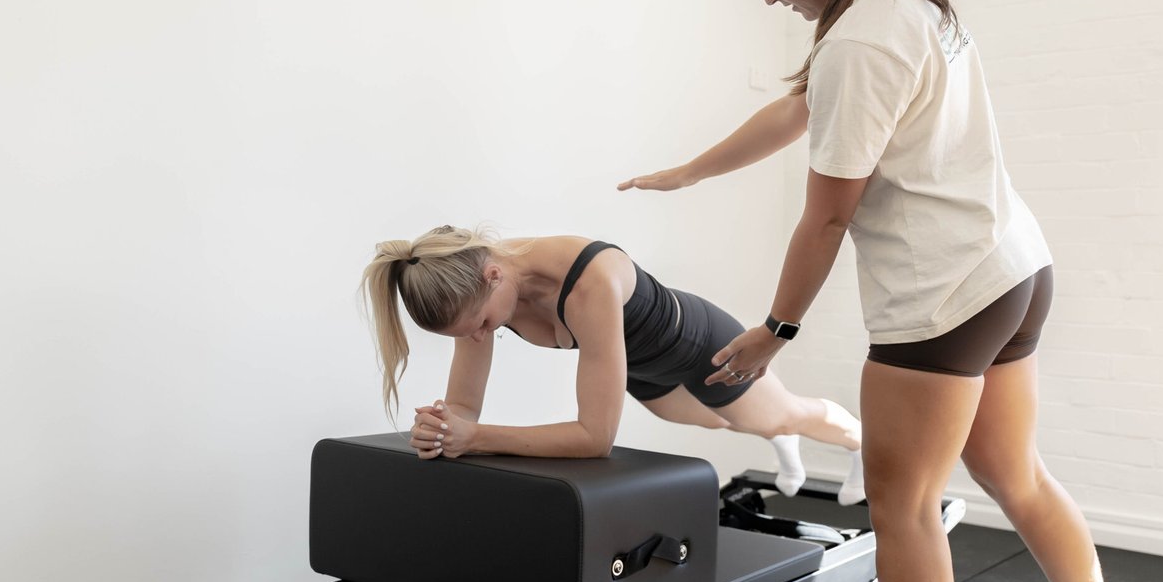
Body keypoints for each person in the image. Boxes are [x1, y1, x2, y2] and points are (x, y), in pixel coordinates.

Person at [619, 0, 1142, 582]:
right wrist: (692, 172)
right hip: (1011, 266)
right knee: (1014, 472)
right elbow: (803, 105)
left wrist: (773, 330)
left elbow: (826, 213)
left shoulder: (859, 34)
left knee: (903, 506)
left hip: (941, 297)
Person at [359, 225, 865, 500]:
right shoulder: (477, 295)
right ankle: (773, 432)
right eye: (463, 334)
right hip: (643, 371)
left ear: (495, 274)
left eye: (482, 326)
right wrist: (444, 428)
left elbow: (594, 440)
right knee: (723, 421)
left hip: (700, 345)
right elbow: (464, 405)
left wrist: (478, 436)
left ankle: (861, 441)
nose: (475, 338)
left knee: (783, 414)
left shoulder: (587, 282)